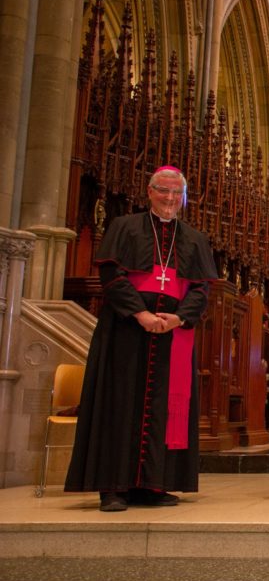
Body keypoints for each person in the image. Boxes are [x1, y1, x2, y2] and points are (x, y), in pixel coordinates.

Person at [64, 166, 218, 512]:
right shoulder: (124, 227)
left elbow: (201, 288)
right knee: (119, 405)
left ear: (183, 198)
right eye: (162, 191)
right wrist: (141, 314)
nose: (168, 198)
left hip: (172, 335)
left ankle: (153, 484)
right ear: (149, 192)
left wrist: (178, 317)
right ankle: (113, 487)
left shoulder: (194, 239)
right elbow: (112, 276)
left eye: (175, 193)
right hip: (126, 332)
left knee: (165, 408)